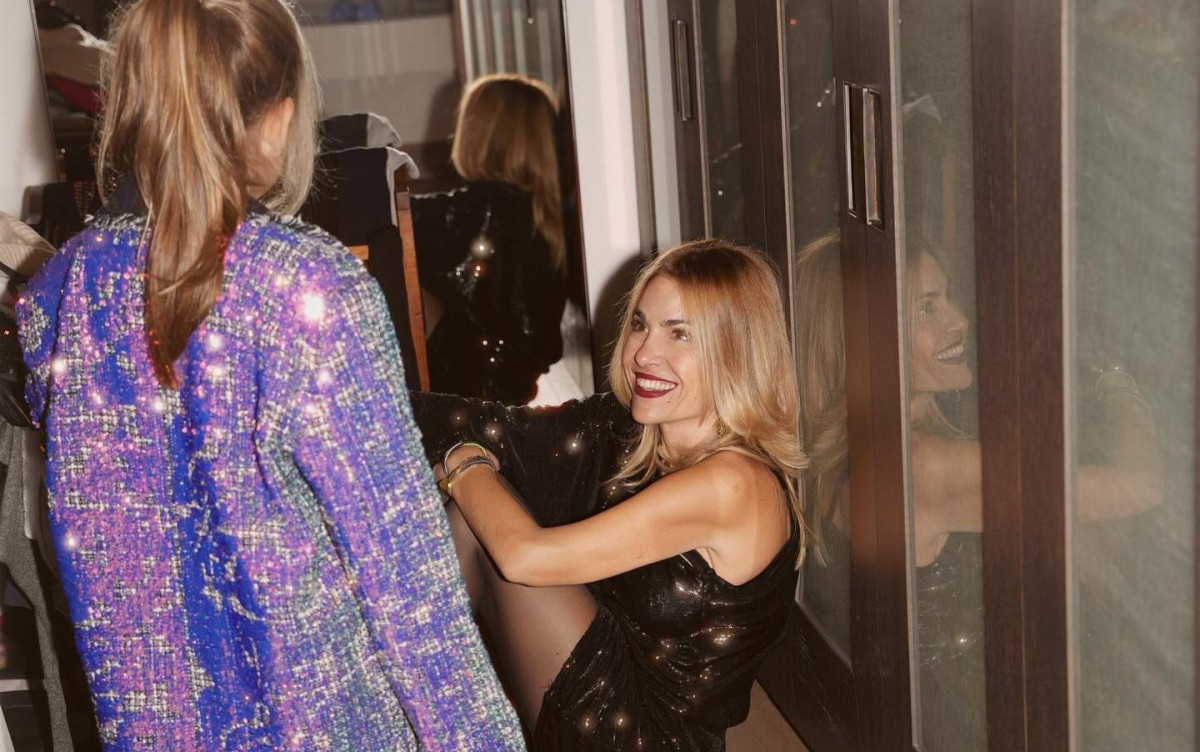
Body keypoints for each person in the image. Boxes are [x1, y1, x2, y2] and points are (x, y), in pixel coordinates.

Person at [16, 1, 524, 749]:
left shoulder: (60, 292)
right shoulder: (310, 289)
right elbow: (410, 587)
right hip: (324, 728)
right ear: (280, 120)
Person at [410, 240, 806, 751]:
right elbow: (499, 428)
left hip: (645, 740)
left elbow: (523, 556)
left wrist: (463, 465)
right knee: (481, 510)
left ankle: (371, 706)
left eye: (680, 333)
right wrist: (354, 405)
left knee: (482, 523)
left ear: (736, 351)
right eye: (640, 324)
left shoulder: (733, 485)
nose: (644, 354)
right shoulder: (634, 435)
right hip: (617, 695)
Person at [795, 233, 1163, 751]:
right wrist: (1120, 381)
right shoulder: (920, 466)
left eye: (947, 297)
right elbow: (1141, 485)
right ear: (863, 336)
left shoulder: (850, 439)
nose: (960, 320)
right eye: (926, 307)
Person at [412, 73, 567, 404]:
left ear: (480, 137)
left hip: (473, 378)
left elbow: (408, 221)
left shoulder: (486, 207)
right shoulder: (535, 208)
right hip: (509, 376)